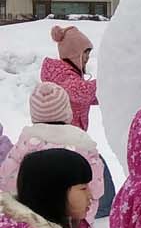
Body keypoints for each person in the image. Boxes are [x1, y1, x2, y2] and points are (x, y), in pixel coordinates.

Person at [0, 82, 104, 220]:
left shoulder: (27, 143)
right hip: (77, 218)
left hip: (34, 218)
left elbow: (6, 181)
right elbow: (96, 187)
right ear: (68, 112)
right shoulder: (81, 143)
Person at [40, 24, 115, 214]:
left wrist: (112, 93)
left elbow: (90, 95)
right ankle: (100, 210)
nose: (88, 59)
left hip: (73, 138)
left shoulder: (71, 74)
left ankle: (95, 207)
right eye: (85, 54)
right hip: (66, 140)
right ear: (73, 54)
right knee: (96, 169)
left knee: (91, 170)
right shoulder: (62, 75)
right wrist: (110, 80)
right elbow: (80, 92)